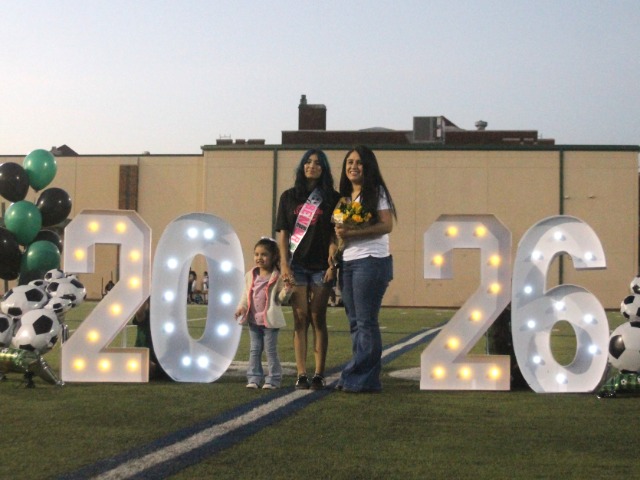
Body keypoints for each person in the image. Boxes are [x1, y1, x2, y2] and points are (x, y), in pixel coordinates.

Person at [276, 149, 340, 390]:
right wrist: (284, 264)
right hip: (297, 265)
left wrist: (333, 260)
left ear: (324, 169)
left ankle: (319, 373)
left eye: (317, 163)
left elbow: (335, 234)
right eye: (308, 162)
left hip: (322, 267)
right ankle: (302, 373)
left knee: (317, 316)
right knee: (300, 317)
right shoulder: (288, 196)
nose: (312, 166)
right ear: (302, 166)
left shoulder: (332, 198)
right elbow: (283, 234)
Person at [334, 145, 396, 393]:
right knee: (354, 322)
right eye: (349, 162)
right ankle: (361, 378)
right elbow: (340, 231)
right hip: (348, 261)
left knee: (366, 322)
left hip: (371, 260)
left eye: (359, 162)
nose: (353, 167)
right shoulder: (346, 197)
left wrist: (353, 232)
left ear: (368, 166)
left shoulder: (376, 192)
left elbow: (386, 225)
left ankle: (361, 377)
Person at [235, 237, 293, 389]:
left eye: (264, 254)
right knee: (254, 350)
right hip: (253, 321)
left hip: (270, 322)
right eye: (256, 254)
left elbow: (281, 299)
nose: (259, 258)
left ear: (273, 257)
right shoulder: (250, 275)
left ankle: (273, 379)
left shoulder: (277, 276)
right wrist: (241, 308)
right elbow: (245, 295)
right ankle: (254, 378)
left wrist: (287, 290)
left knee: (270, 351)